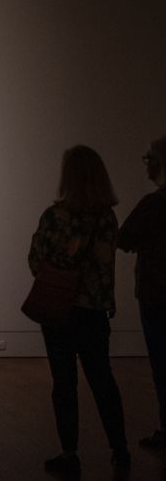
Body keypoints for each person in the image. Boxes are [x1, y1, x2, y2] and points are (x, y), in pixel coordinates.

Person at [29, 145, 129, 475]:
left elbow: (35, 261)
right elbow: (105, 264)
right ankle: (120, 449)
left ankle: (69, 452)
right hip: (94, 312)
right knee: (103, 381)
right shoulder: (107, 218)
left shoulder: (54, 216)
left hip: (58, 310)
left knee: (64, 383)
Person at [118, 136, 166, 449]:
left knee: (162, 363)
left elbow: (124, 238)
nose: (145, 163)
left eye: (149, 158)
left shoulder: (153, 204)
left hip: (156, 295)